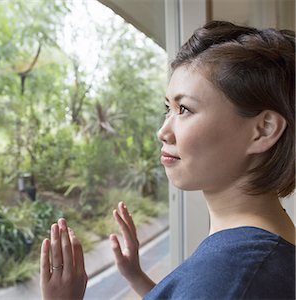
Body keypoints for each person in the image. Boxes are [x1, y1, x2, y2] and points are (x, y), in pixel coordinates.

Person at [40, 20, 295, 299]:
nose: (163, 131)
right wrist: (137, 277)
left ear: (264, 130)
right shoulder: (260, 250)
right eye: (168, 108)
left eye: (184, 108)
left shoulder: (230, 275)